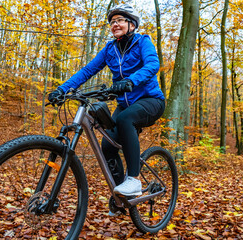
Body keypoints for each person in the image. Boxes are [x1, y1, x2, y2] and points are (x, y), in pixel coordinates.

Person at [48, 4, 165, 200]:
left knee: (125, 119)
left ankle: (134, 180)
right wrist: (62, 89)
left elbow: (153, 64)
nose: (115, 24)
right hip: (125, 105)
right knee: (108, 146)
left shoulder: (143, 42)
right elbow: (87, 70)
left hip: (151, 100)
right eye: (112, 22)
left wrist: (131, 81)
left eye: (119, 20)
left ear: (132, 24)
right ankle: (121, 195)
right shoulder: (110, 49)